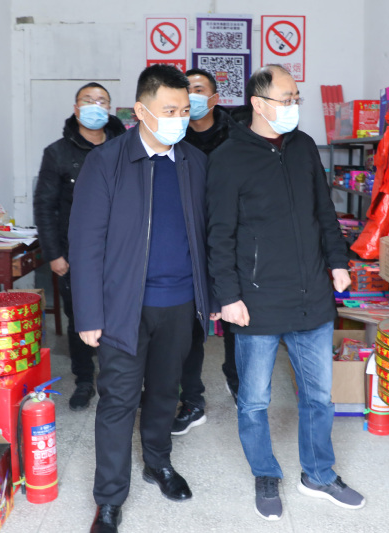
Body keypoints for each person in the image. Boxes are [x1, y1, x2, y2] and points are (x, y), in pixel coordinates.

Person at [206, 65, 365, 521]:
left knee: (318, 397)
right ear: (258, 104)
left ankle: (318, 474)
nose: (295, 106)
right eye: (287, 98)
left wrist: (338, 262)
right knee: (255, 400)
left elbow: (324, 212)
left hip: (312, 294)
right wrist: (228, 296)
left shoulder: (303, 147)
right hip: (256, 300)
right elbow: (219, 235)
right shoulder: (228, 157)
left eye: (297, 98)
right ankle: (265, 472)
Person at [69, 64, 218, 533]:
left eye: (184, 110)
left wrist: (209, 297)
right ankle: (110, 498)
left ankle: (158, 463)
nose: (179, 118)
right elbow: (86, 243)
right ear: (140, 110)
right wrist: (88, 314)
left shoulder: (194, 162)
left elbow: (207, 236)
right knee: (118, 400)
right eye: (169, 110)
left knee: (165, 392)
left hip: (179, 303)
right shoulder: (107, 162)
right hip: (122, 307)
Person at [33, 82, 126, 411]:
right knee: (80, 317)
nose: (95, 106)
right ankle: (84, 379)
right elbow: (45, 206)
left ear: (110, 109)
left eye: (102, 101)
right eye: (88, 100)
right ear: (76, 109)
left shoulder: (125, 148)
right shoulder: (57, 152)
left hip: (120, 251)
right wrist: (54, 254)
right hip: (75, 254)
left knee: (121, 316)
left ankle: (118, 380)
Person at [171, 68, 237, 436]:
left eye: (199, 90)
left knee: (236, 320)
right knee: (190, 328)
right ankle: (192, 401)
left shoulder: (236, 135)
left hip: (231, 242)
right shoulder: (173, 137)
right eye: (187, 91)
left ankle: (236, 378)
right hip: (188, 244)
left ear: (214, 98)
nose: (192, 97)